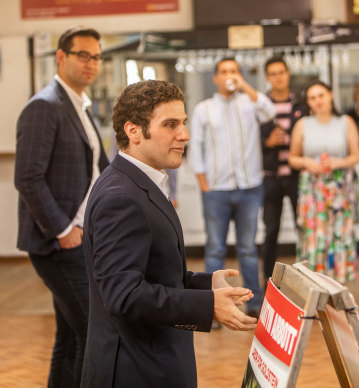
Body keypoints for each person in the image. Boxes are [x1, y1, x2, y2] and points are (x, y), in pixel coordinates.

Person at [81, 80, 256, 387]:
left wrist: (205, 285)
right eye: (171, 125)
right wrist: (207, 306)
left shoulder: (135, 181)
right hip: (137, 371)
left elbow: (151, 274)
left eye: (184, 123)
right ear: (134, 131)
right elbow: (123, 294)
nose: (184, 135)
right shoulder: (121, 196)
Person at [14, 26, 109, 387]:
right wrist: (63, 230)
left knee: (70, 336)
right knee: (93, 331)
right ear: (61, 57)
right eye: (82, 55)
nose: (91, 64)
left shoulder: (80, 106)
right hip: (59, 243)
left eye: (96, 57)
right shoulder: (44, 106)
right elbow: (27, 178)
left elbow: (95, 169)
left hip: (83, 238)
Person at [190, 58, 275, 318]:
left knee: (248, 248)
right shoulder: (204, 109)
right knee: (215, 248)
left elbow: (270, 112)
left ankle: (254, 303)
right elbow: (197, 146)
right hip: (216, 189)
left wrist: (245, 86)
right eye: (225, 71)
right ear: (215, 78)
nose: (230, 75)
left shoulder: (250, 104)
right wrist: (204, 184)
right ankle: (210, 305)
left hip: (249, 187)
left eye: (234, 71)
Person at [289, 81, 359, 283]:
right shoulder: (303, 124)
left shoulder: (345, 122)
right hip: (312, 191)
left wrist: (338, 162)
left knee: (339, 235)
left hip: (338, 190)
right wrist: (306, 162)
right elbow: (293, 158)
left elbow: (356, 156)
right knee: (314, 237)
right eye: (312, 98)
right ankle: (315, 285)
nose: (317, 101)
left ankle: (339, 286)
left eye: (320, 95)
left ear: (330, 95)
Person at [260, 57, 306, 283]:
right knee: (270, 232)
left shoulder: (301, 103)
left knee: (304, 230)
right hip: (270, 178)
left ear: (288, 74)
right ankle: (269, 283)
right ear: (267, 77)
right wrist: (267, 143)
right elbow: (249, 143)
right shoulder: (260, 105)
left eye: (281, 72)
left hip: (298, 176)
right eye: (273, 74)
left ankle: (308, 280)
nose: (278, 77)